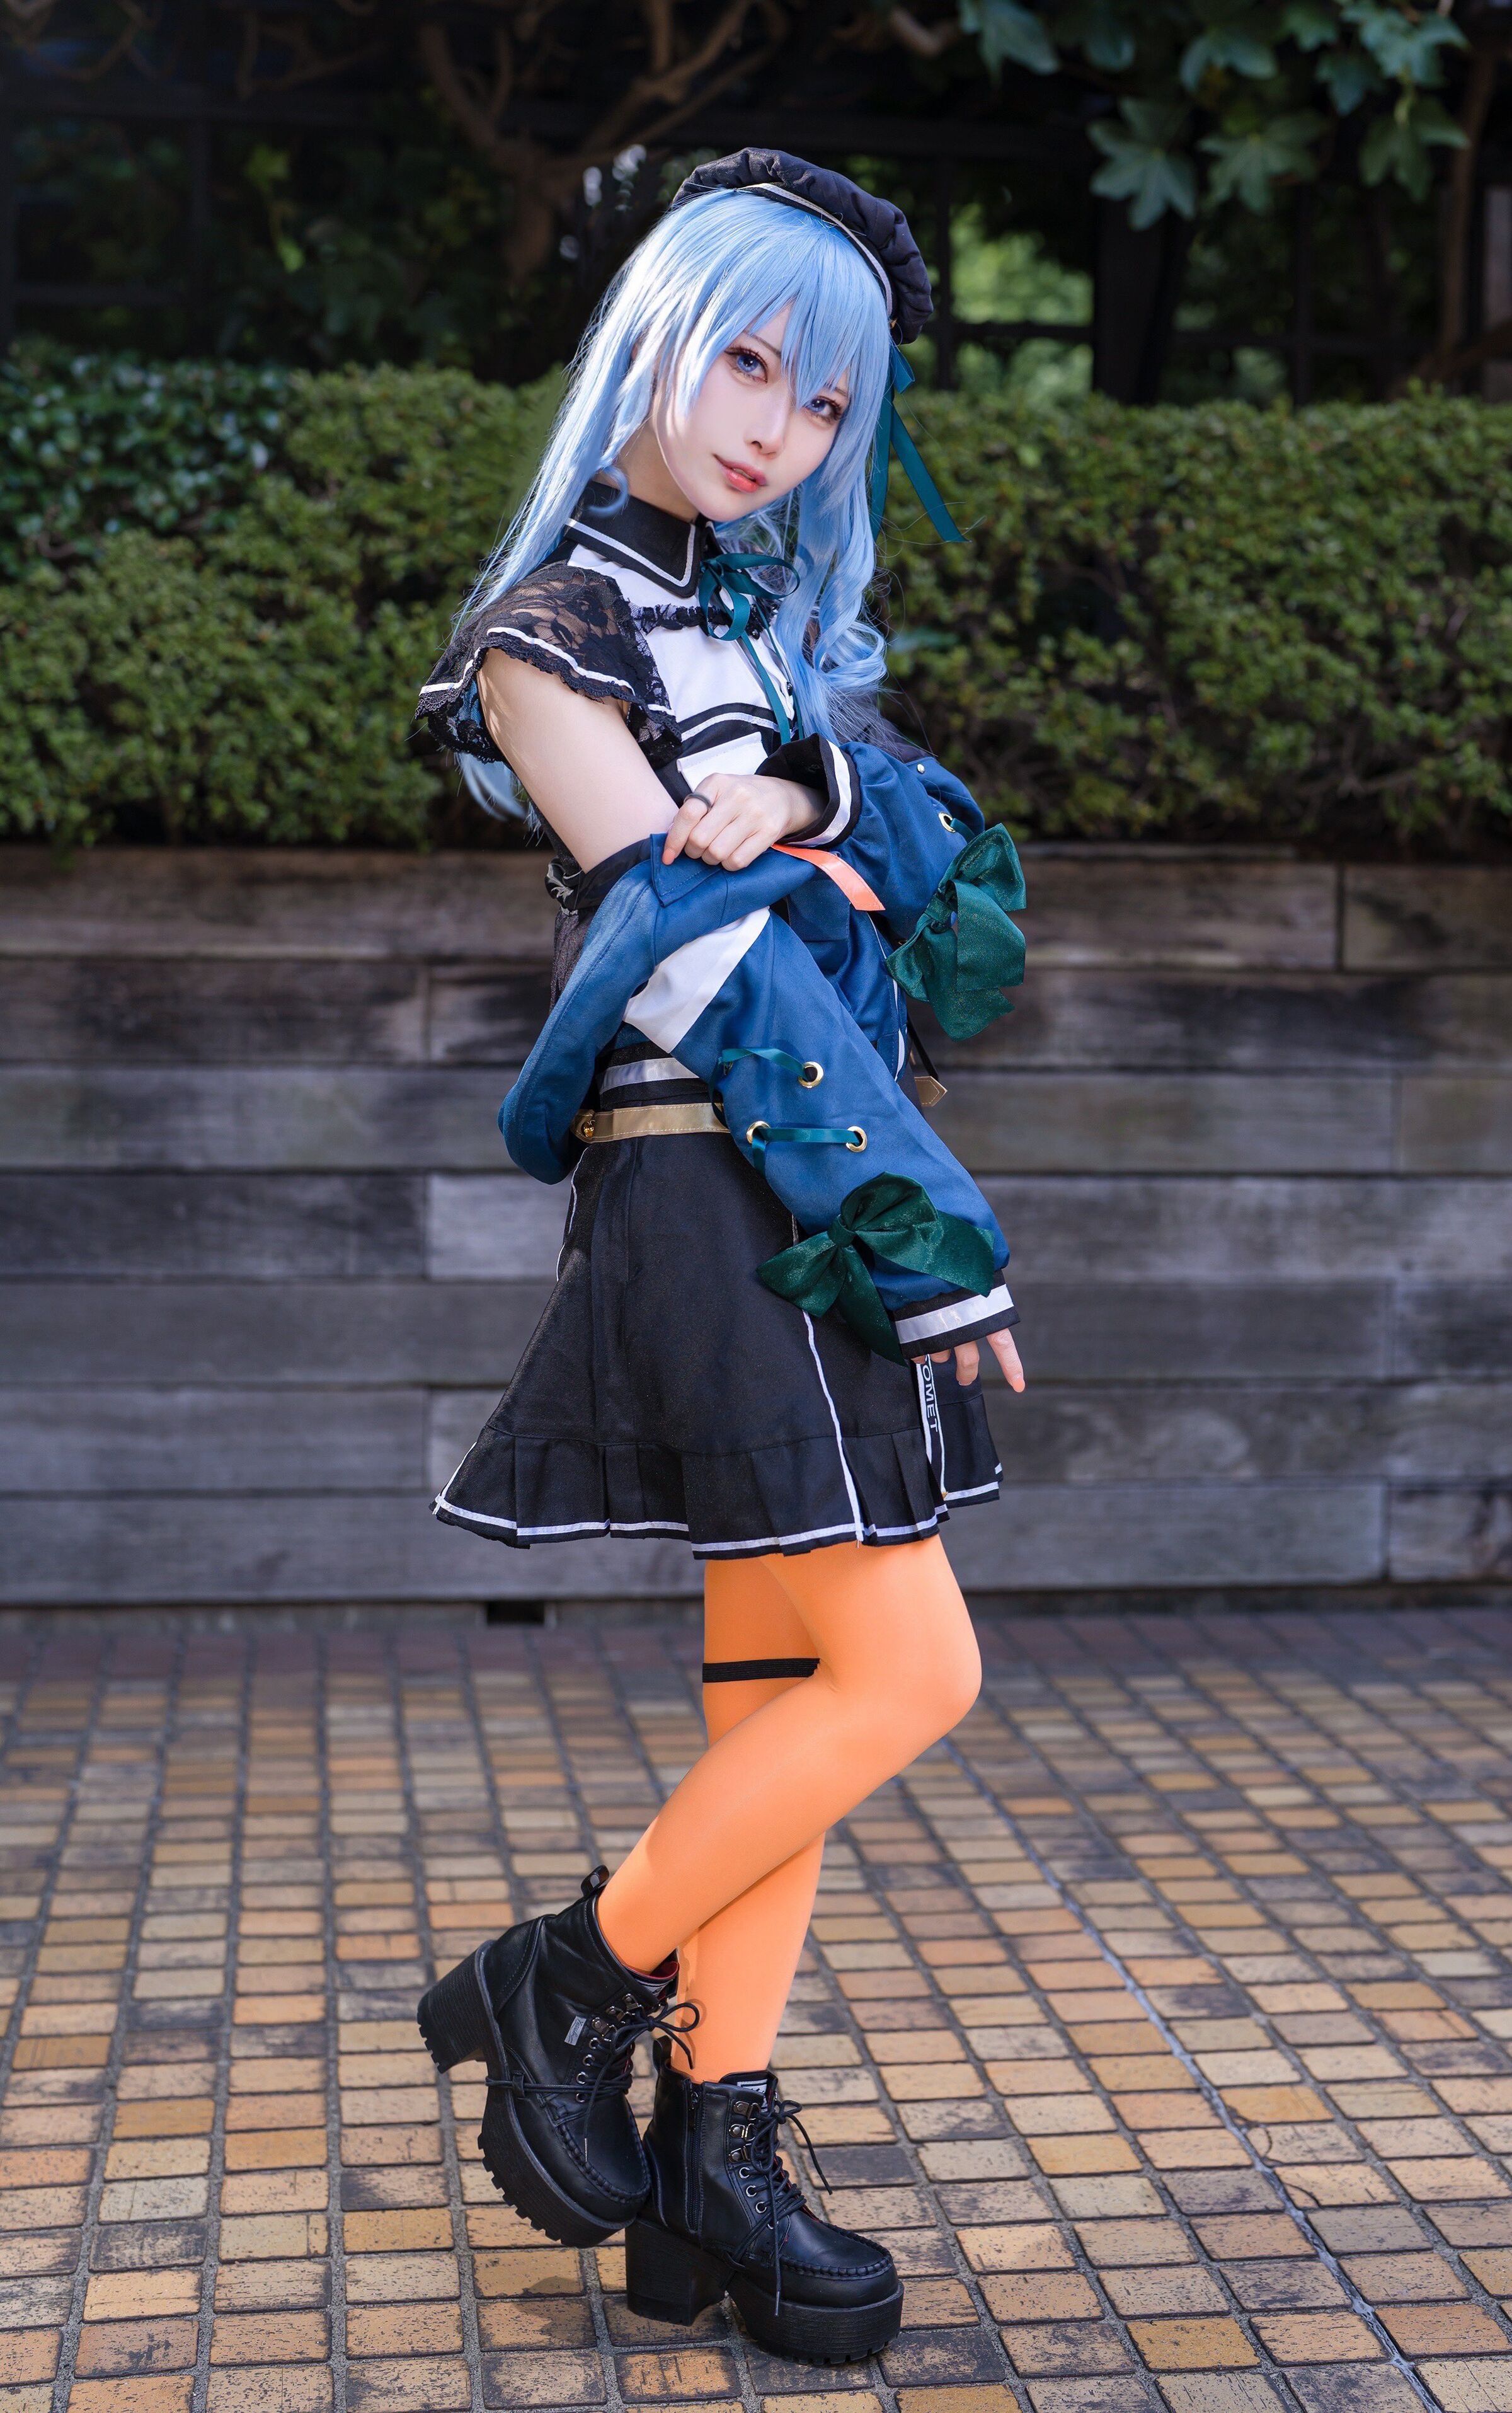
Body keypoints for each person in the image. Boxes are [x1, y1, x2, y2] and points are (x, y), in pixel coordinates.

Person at [415, 149, 1027, 2367]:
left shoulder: (766, 627)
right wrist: (924, 1230)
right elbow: (702, 971)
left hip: (810, 1178)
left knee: (784, 1688)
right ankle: (565, 1981)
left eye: (825, 399)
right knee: (916, 1675)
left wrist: (821, 799)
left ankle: (711, 2164)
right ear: (654, 343)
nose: (779, 425)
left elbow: (959, 870)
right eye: (749, 363)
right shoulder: (544, 644)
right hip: (718, 1184)